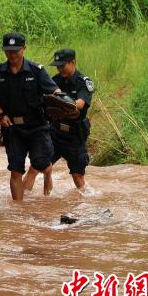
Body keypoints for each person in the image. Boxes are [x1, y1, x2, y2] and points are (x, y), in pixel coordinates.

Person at [0, 32, 60, 201]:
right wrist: (1, 113)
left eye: (16, 50)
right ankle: (18, 211)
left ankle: (48, 173)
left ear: (24, 48)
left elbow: (54, 90)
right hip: (12, 128)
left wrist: (63, 99)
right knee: (15, 169)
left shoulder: (36, 71)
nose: (12, 54)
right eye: (8, 51)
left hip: (37, 126)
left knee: (41, 163)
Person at [23, 49, 94, 191]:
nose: (59, 69)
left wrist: (63, 104)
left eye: (62, 65)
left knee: (77, 175)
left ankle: (85, 205)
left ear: (73, 62)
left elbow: (79, 104)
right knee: (36, 167)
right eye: (57, 66)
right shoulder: (54, 81)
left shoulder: (84, 82)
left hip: (75, 135)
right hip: (54, 133)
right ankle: (21, 204)